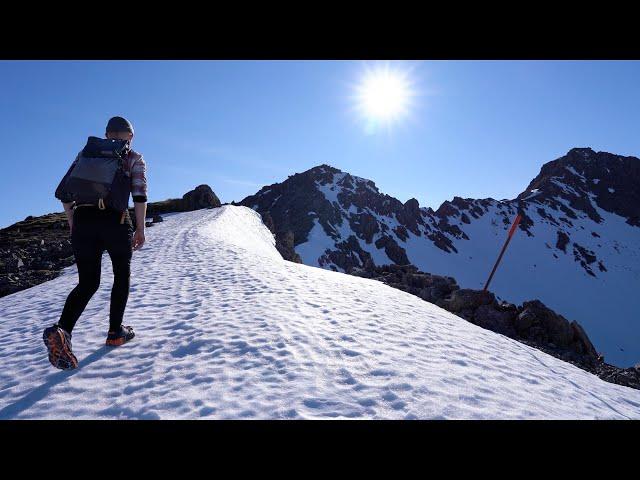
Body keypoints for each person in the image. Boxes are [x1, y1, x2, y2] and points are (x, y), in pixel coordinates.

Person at [43, 116, 148, 370]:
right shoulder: (133, 157)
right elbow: (139, 194)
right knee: (121, 275)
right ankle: (115, 332)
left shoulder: (86, 153)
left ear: (106, 133)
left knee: (88, 282)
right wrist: (141, 229)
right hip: (115, 221)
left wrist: (73, 224)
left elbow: (65, 193)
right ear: (130, 136)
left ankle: (62, 330)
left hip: (83, 220)